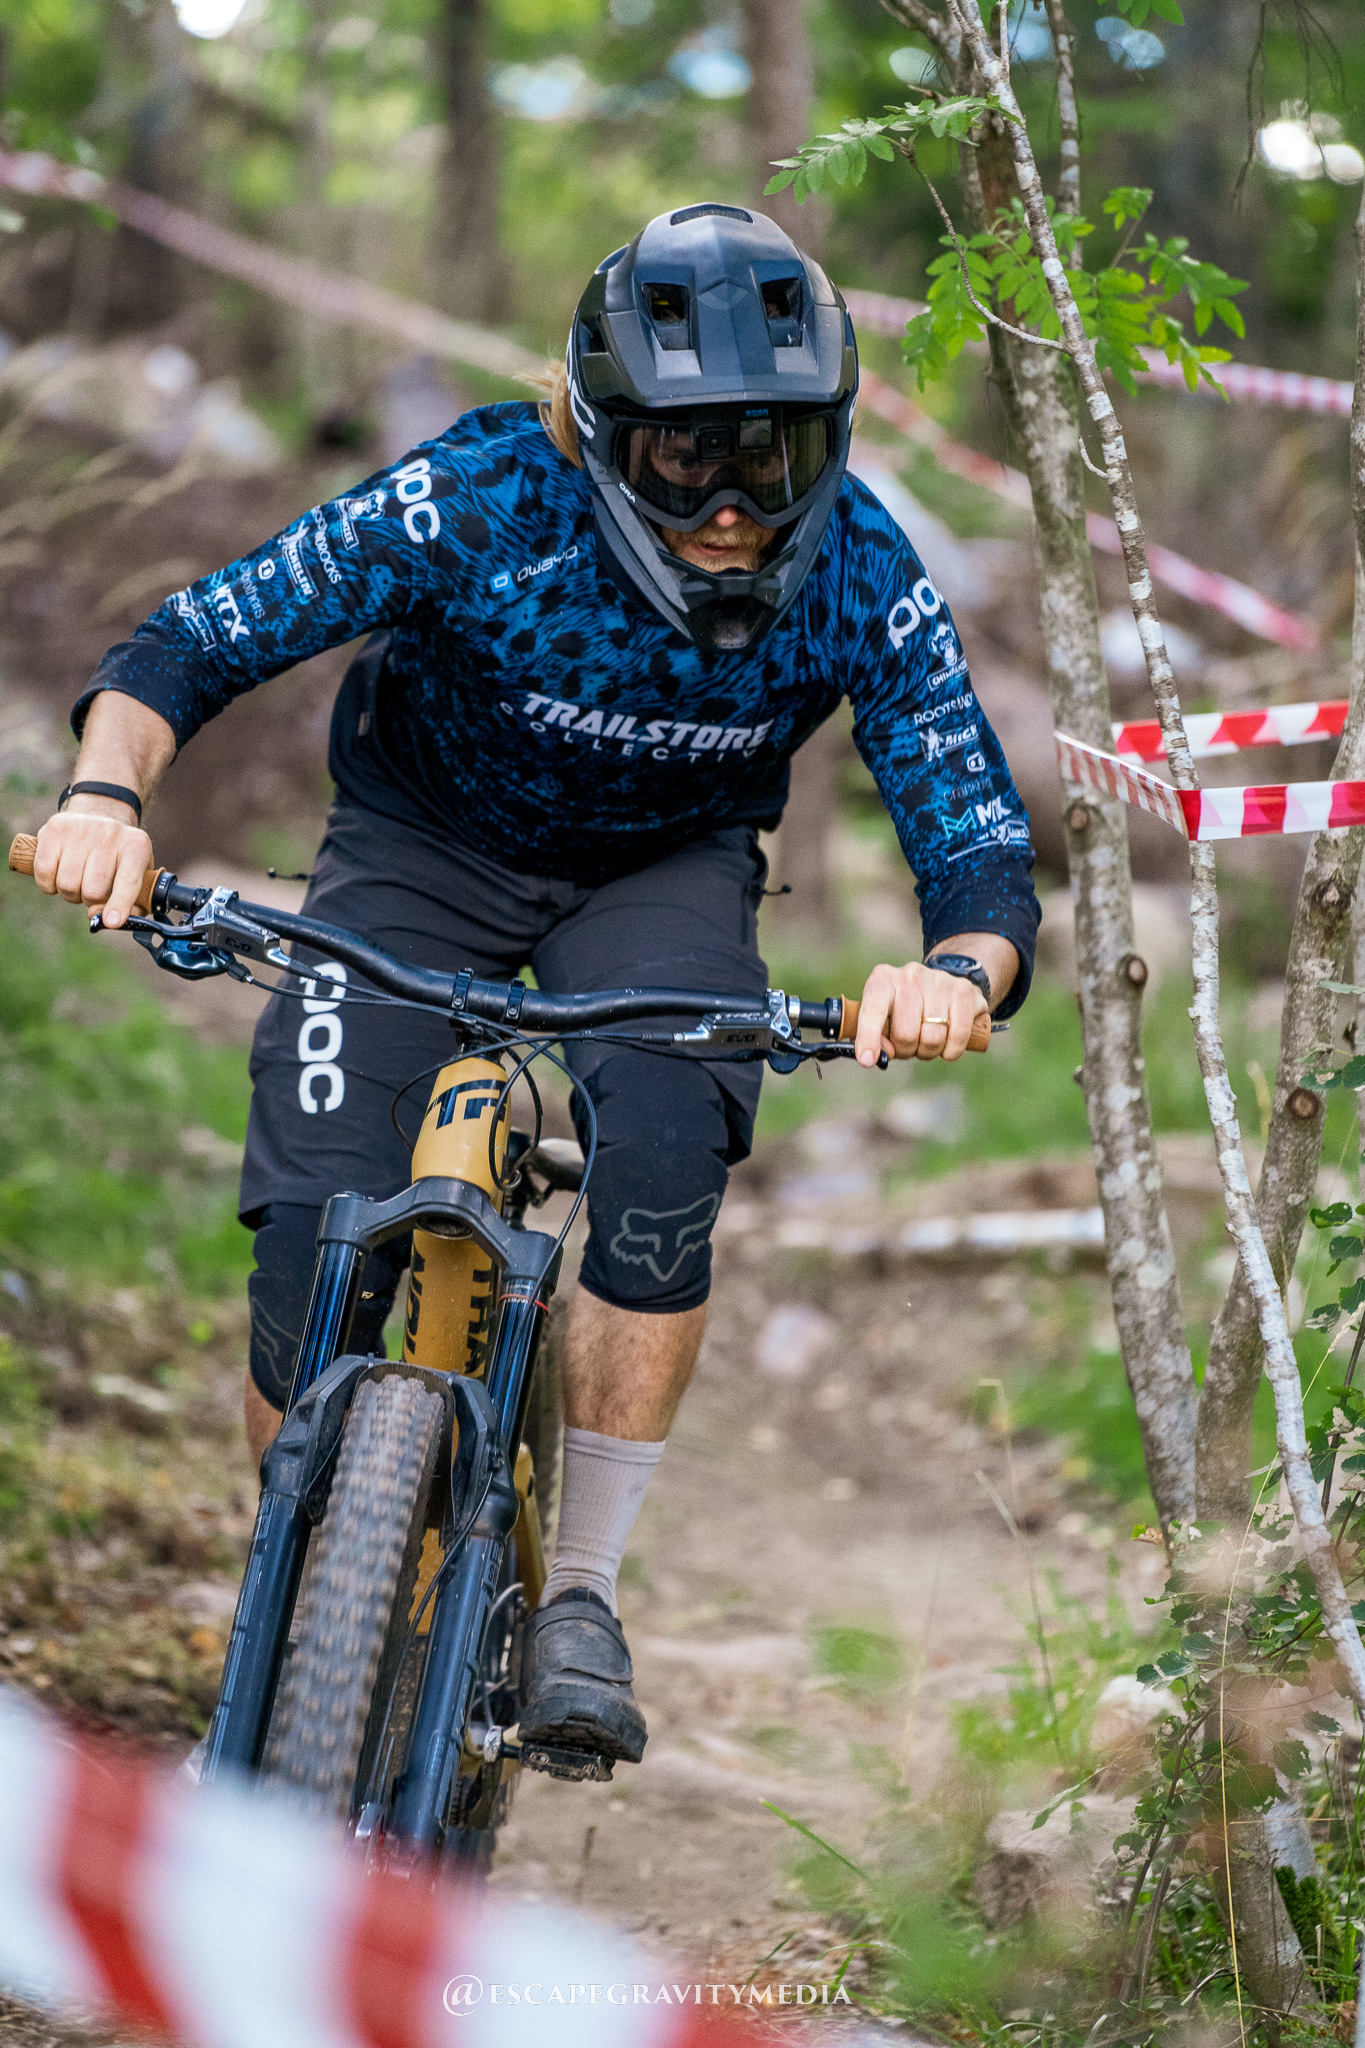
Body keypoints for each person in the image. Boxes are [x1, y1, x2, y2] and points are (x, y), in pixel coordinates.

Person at [33, 203, 1041, 1768]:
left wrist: (956, 975)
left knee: (665, 1143)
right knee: (310, 1223)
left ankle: (577, 1593)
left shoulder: (859, 566)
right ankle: (304, 1580)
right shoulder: (480, 495)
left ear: (832, 441)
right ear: (599, 432)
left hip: (663, 876)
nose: (729, 508)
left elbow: (972, 836)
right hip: (419, 846)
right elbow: (194, 643)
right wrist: (105, 800)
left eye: (771, 456)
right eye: (684, 457)